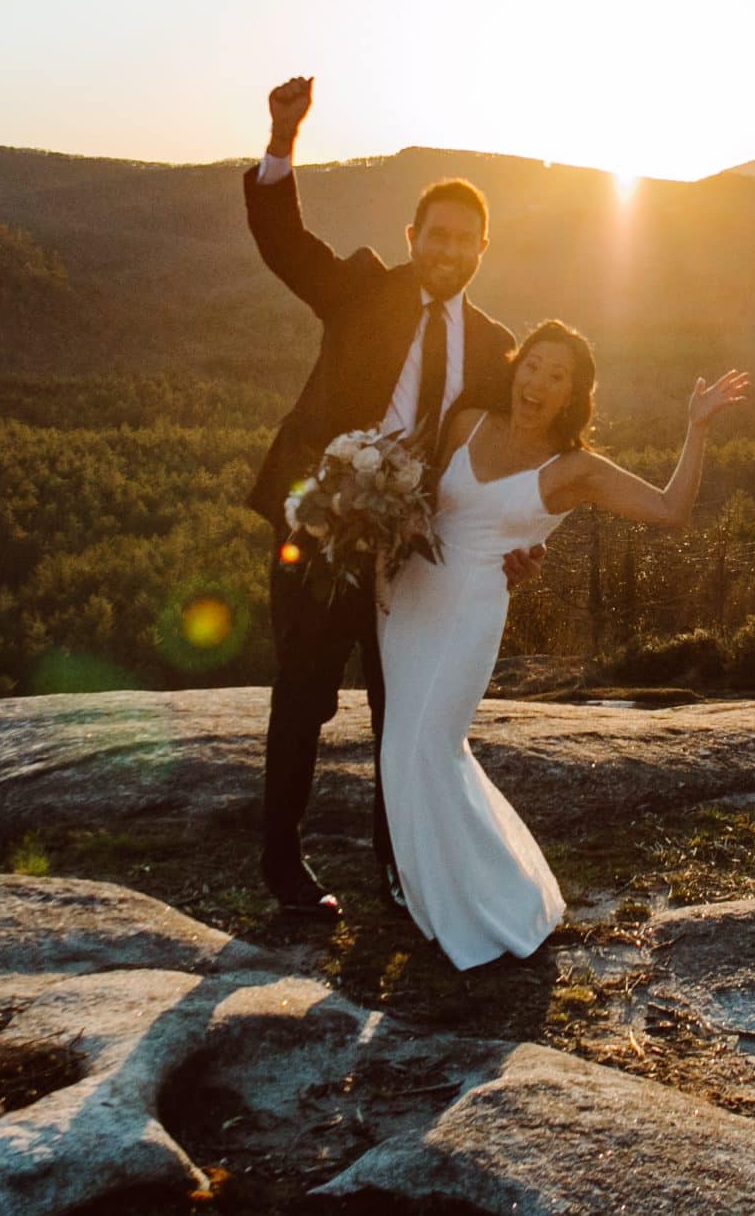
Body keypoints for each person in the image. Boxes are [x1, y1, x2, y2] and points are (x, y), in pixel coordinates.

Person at [244, 75, 540, 917]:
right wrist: (281, 139)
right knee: (301, 691)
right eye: (435, 233)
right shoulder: (364, 287)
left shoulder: (494, 346)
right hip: (317, 522)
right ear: (413, 236)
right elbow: (283, 240)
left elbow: (512, 454)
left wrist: (523, 535)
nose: (447, 249)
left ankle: (399, 866)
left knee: (399, 707)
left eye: (465, 239)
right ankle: (281, 865)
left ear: (483, 249)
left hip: (413, 547)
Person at [379, 319, 749, 969]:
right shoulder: (466, 420)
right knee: (400, 753)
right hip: (410, 598)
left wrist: (698, 427)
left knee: (435, 747)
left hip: (473, 609)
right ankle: (432, 905)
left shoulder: (575, 468)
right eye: (534, 364)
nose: (539, 382)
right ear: (516, 364)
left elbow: (670, 509)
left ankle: (502, 903)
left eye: (559, 376)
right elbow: (414, 494)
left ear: (574, 396)